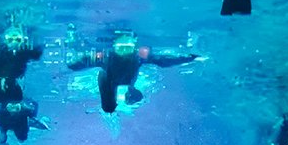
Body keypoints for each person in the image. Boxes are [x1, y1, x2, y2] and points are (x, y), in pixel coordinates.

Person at [67, 30, 199, 113]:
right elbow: (163, 61)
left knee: (108, 106)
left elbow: (163, 60)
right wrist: (187, 58)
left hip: (112, 78)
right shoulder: (128, 58)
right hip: (113, 78)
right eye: (121, 47)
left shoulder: (115, 58)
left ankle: (116, 96)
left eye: (127, 47)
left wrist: (73, 66)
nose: (124, 50)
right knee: (108, 106)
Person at [0, 24, 43, 102]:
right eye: (10, 40)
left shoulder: (23, 53)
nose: (14, 42)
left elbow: (37, 54)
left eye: (17, 40)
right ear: (5, 40)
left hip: (9, 86)